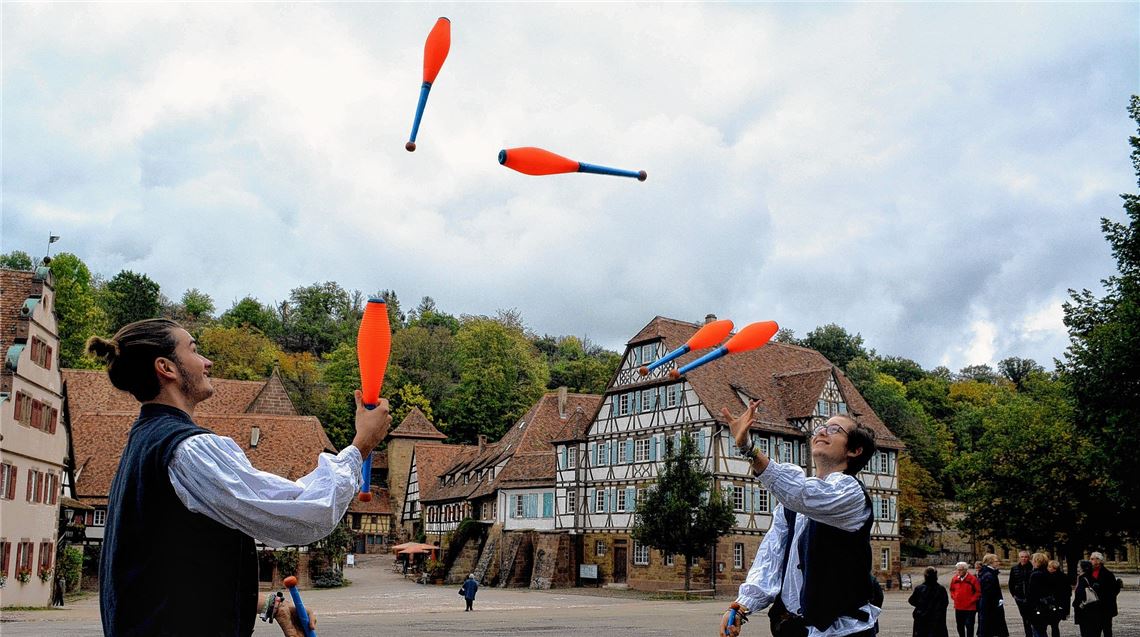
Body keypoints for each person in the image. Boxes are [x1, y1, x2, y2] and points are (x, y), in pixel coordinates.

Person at [88, 319, 391, 637]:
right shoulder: (188, 450)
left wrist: (270, 606)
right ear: (166, 367)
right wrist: (361, 445)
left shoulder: (146, 442)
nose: (208, 362)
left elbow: (177, 571)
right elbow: (304, 512)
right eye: (194, 350)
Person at [717, 403, 880, 637]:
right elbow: (771, 556)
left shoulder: (850, 493)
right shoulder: (791, 505)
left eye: (835, 430)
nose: (822, 431)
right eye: (822, 427)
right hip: (794, 628)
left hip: (843, 631)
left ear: (854, 450)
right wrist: (743, 606)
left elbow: (801, 494)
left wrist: (749, 448)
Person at [910, 567, 950, 637]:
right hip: (937, 619)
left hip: (923, 618)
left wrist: (920, 606)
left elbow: (912, 600)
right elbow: (945, 603)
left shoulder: (919, 588)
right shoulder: (941, 589)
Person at [1087, 553, 1119, 637]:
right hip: (1093, 607)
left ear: (1100, 561)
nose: (1093, 561)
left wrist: (1101, 589)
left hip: (1105, 608)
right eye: (1091, 559)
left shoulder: (1108, 574)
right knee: (1094, 631)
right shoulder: (1087, 573)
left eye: (1095, 559)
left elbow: (1114, 590)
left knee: (1107, 630)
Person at [978, 554, 1010, 637]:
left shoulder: (989, 573)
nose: (998, 563)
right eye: (996, 561)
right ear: (990, 562)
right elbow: (988, 592)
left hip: (990, 605)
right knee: (990, 627)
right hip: (990, 606)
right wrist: (997, 601)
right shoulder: (988, 575)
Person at [950, 561, 982, 637]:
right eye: (958, 570)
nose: (959, 571)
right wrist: (954, 597)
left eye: (960, 570)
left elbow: (978, 592)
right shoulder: (954, 579)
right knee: (960, 626)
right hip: (958, 606)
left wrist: (971, 600)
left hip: (970, 608)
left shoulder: (972, 579)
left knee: (969, 625)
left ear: (965, 570)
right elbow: (952, 590)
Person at [1072, 561, 1101, 637]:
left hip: (1085, 610)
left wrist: (1075, 604)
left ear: (1083, 569)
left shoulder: (1082, 579)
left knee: (1086, 632)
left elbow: (1080, 594)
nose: (1078, 569)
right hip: (1094, 609)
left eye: (1079, 567)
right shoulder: (1093, 577)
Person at [1026, 553, 1052, 637]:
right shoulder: (1046, 572)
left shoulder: (1036, 574)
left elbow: (1032, 593)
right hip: (1045, 605)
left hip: (1037, 606)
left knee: (1038, 631)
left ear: (1037, 561)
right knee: (1041, 630)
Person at [1010, 550, 1034, 637]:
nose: (1024, 559)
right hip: (1019, 597)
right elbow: (1011, 583)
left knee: (1032, 617)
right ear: (1019, 558)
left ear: (1029, 558)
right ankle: (1028, 634)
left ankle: (1034, 633)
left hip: (1031, 597)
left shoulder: (1033, 568)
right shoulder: (1014, 569)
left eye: (1026, 557)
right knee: (1024, 617)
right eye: (1022, 557)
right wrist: (1014, 595)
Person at [1046, 560, 1070, 637]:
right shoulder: (1063, 576)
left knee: (1053, 624)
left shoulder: (1050, 577)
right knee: (1054, 625)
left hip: (1055, 604)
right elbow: (1068, 593)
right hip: (1059, 605)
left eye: (1049, 567)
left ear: (1054, 568)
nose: (1048, 568)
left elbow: (1067, 593)